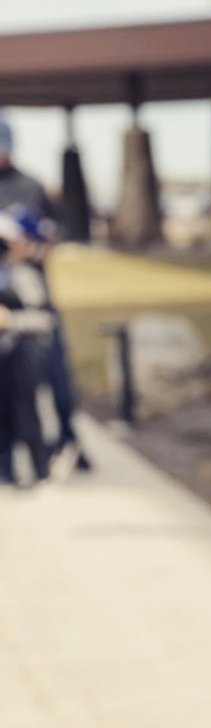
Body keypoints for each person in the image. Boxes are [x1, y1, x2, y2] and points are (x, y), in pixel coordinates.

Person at [0, 116, 91, 477]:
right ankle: (8, 461)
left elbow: (60, 229)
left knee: (56, 375)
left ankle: (68, 440)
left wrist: (34, 247)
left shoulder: (30, 185)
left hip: (34, 299)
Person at [0, 211, 56, 486]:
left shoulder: (23, 275)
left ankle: (40, 470)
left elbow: (45, 319)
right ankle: (5, 472)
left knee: (26, 413)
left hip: (21, 353)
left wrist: (11, 320)